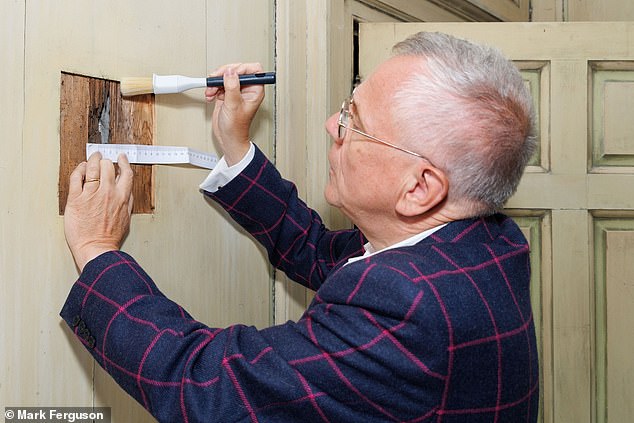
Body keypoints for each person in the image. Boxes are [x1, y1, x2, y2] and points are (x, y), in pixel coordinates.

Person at [61, 31, 539, 422]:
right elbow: (319, 253)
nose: (333, 123)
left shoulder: (408, 310)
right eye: (346, 105)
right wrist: (236, 147)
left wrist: (97, 249)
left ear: (418, 188)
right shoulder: (485, 241)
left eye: (356, 121)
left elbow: (205, 386)